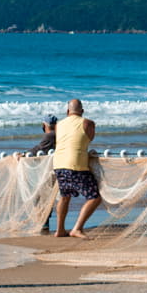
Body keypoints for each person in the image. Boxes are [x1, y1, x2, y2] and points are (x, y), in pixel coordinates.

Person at [53, 99, 102, 238]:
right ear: (82, 111)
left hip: (58, 164)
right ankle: (77, 228)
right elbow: (89, 139)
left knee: (64, 196)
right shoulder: (88, 123)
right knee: (94, 197)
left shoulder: (58, 124)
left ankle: (60, 230)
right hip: (75, 164)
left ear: (67, 112)